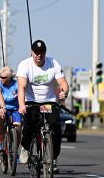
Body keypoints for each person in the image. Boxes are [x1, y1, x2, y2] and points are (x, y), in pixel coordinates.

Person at [17, 40, 69, 173]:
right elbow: (21, 87)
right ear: (32, 52)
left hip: (49, 102)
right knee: (30, 125)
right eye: (36, 52)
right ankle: (25, 146)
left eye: (42, 52)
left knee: (55, 127)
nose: (39, 55)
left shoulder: (53, 63)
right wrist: (22, 105)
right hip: (32, 102)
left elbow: (63, 83)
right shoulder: (25, 65)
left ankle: (53, 157)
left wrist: (64, 92)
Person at [0, 66, 22, 153]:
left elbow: (22, 96)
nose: (1, 79)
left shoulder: (16, 84)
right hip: (3, 109)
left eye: (4, 77)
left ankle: (15, 151)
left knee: (18, 128)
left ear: (10, 78)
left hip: (15, 109)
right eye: (0, 76)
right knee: (1, 119)